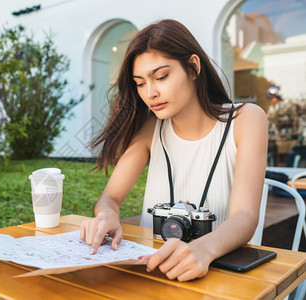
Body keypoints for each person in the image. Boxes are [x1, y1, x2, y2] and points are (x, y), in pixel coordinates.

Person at [80, 19, 268, 281]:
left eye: (161, 77)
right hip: (153, 273)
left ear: (193, 67)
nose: (150, 93)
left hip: (218, 274)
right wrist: (108, 216)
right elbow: (109, 198)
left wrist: (203, 249)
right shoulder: (150, 127)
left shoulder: (246, 120)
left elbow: (245, 216)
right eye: (140, 83)